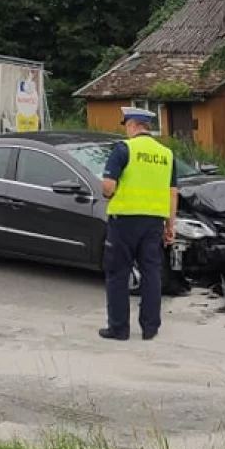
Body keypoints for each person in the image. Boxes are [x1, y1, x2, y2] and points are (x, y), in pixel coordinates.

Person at [99, 106, 178, 341]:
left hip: (124, 221)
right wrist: (170, 225)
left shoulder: (124, 149)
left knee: (118, 274)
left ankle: (119, 328)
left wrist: (110, 194)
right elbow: (173, 193)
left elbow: (108, 186)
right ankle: (150, 328)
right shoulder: (166, 154)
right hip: (153, 222)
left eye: (126, 126)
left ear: (132, 125)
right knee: (151, 274)